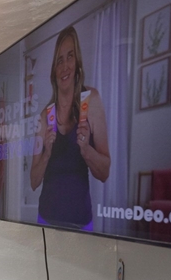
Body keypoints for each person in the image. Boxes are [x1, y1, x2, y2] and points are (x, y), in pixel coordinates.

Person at [29, 26, 111, 229]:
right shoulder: (44, 117)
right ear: (54, 71)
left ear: (77, 63)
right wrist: (47, 154)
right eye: (59, 60)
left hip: (81, 222)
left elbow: (104, 173)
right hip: (46, 221)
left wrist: (86, 150)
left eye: (70, 57)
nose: (65, 66)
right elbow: (33, 181)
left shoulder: (92, 101)